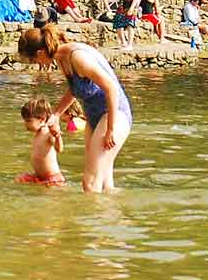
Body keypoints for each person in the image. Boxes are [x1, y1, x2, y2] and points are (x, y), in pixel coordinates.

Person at [18, 22, 132, 193]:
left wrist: (110, 130)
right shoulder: (62, 59)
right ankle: (110, 218)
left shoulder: (77, 57)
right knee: (104, 184)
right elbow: (75, 89)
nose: (37, 65)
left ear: (41, 52)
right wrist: (56, 114)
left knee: (90, 183)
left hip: (114, 114)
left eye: (34, 60)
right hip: (94, 116)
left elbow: (111, 88)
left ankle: (90, 218)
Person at [18, 96, 67, 185]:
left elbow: (59, 149)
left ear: (42, 119)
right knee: (19, 179)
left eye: (29, 121)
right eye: (25, 121)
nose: (25, 124)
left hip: (52, 178)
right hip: (39, 177)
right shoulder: (37, 134)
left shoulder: (48, 133)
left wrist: (57, 136)